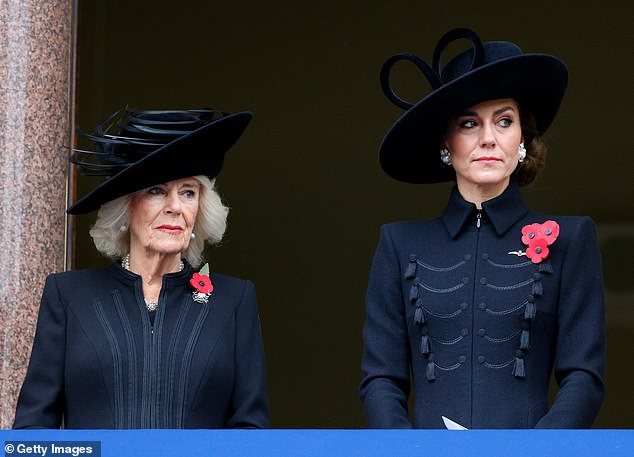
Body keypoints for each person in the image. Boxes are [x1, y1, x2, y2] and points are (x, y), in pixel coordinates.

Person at [359, 28, 605, 429]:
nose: (489, 138)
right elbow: (381, 379)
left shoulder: (571, 239)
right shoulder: (398, 243)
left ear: (523, 138)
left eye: (504, 121)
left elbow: (584, 377)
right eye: (469, 123)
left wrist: (536, 454)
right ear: (446, 141)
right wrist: (408, 454)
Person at [14, 107, 269, 429]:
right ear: (126, 207)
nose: (175, 207)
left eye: (188, 192)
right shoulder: (68, 295)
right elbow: (34, 428)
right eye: (156, 191)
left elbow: (251, 429)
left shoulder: (233, 300)